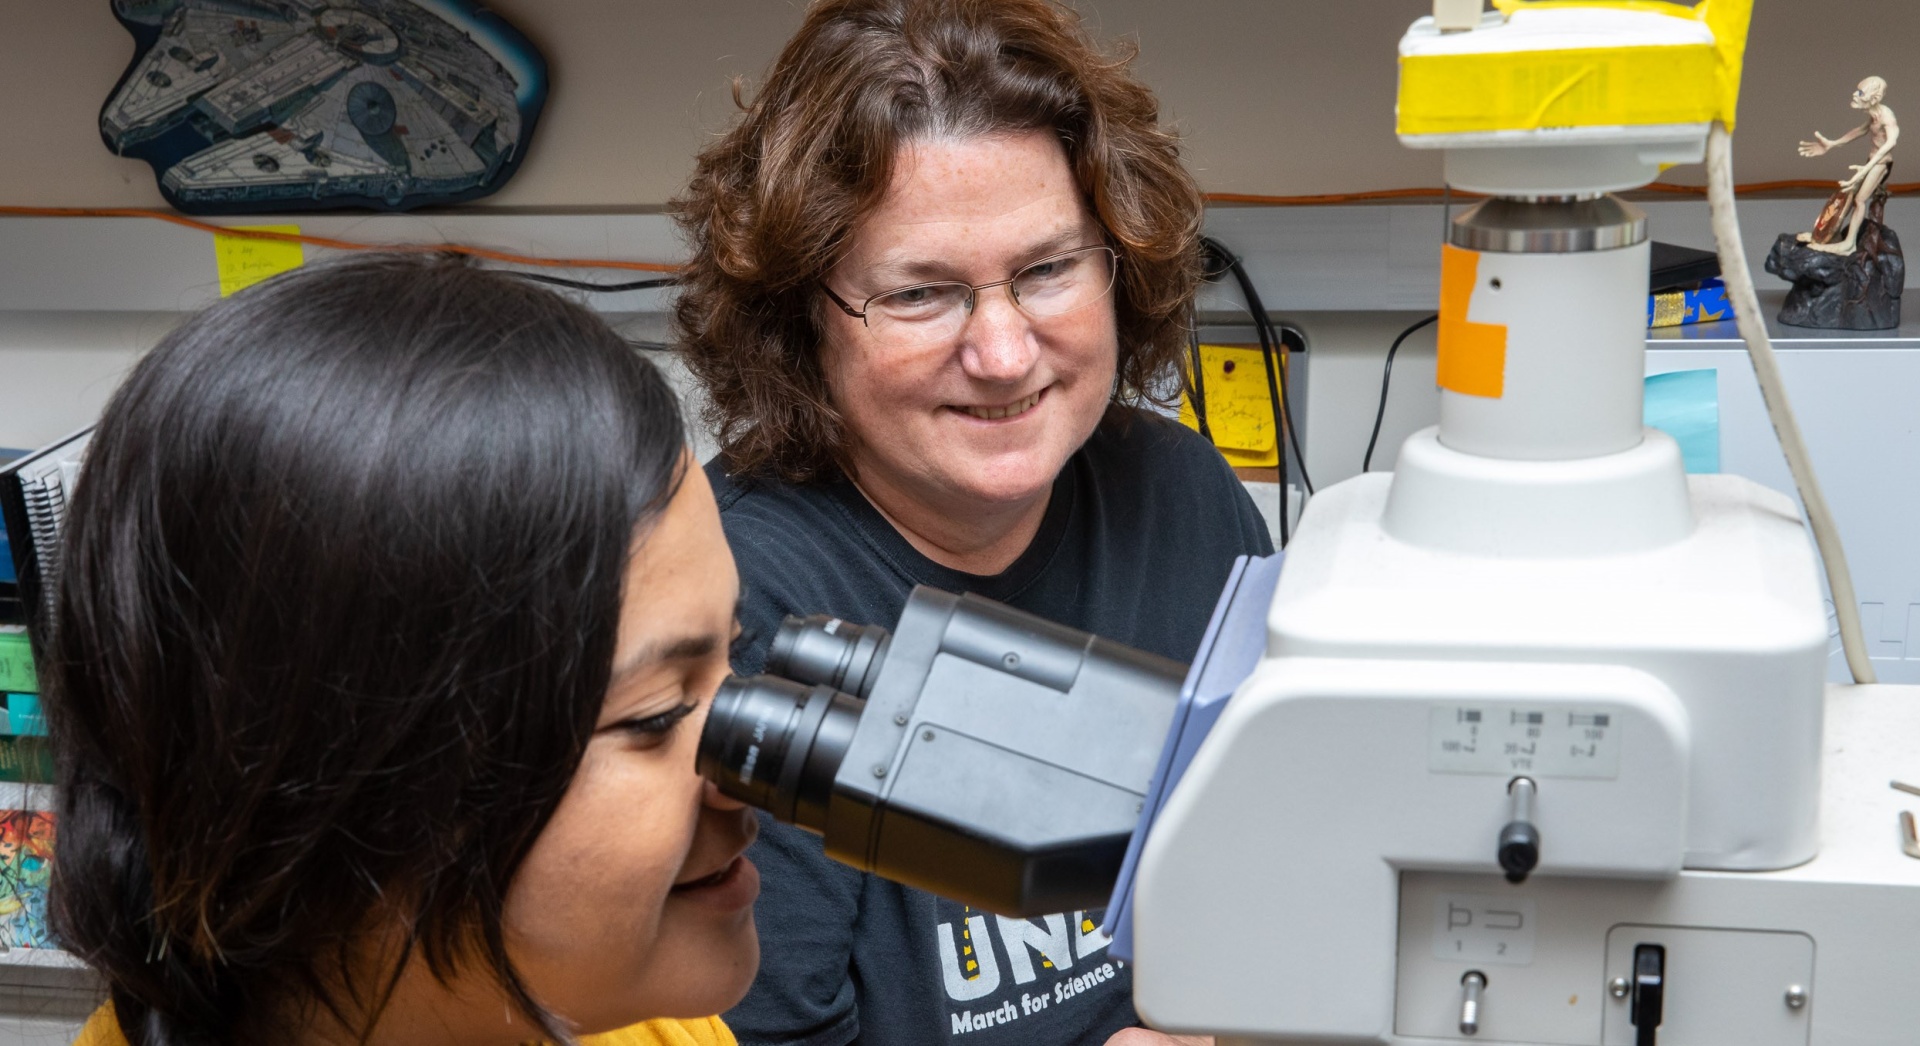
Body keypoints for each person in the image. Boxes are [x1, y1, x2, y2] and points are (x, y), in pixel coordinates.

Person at [673, 1, 1272, 1043]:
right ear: (803, 318)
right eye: (921, 292)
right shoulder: (732, 605)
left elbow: (1276, 861)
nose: (1002, 352)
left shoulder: (1178, 493)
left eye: (1047, 270)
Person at [46, 254, 759, 1046]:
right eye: (657, 716)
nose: (751, 779)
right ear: (329, 803)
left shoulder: (637, 1023)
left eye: (735, 653)